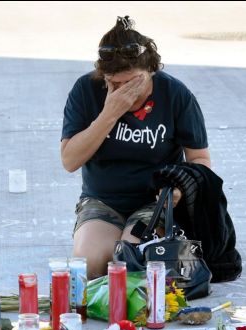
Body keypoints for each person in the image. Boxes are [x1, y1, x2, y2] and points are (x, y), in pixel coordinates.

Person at [61, 16, 212, 279]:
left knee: (133, 264)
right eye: (115, 84)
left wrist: (181, 188)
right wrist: (110, 112)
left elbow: (200, 159)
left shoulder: (176, 94)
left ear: (151, 70)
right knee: (88, 268)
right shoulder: (86, 90)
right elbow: (69, 160)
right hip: (103, 200)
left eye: (133, 82)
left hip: (153, 202)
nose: (124, 91)